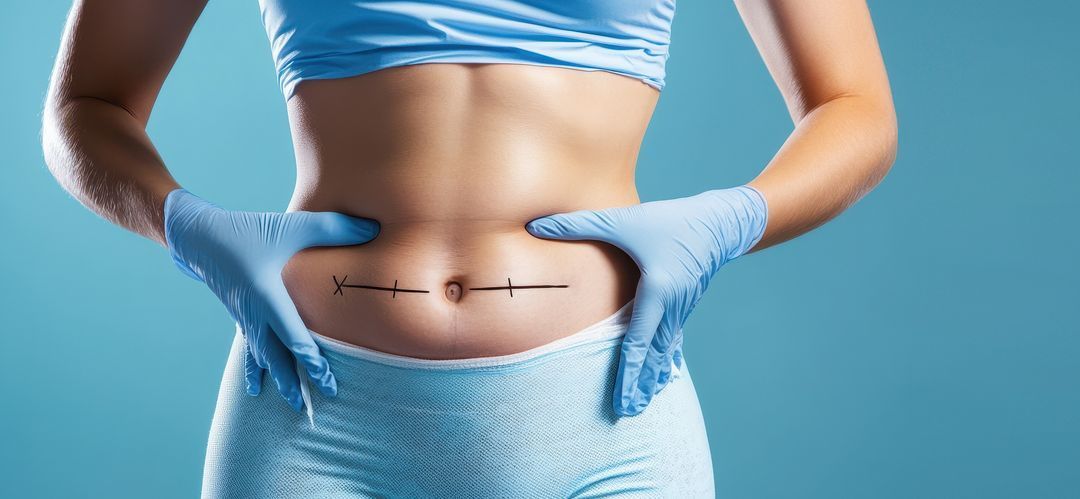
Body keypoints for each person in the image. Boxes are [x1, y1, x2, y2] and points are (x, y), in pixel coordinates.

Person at [41, 0, 896, 496]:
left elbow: (855, 108)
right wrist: (183, 223)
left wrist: (732, 218)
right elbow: (86, 105)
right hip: (315, 411)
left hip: (605, 407)